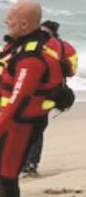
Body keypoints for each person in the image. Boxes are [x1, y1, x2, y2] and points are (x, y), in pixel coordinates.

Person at [0, 1, 66, 197]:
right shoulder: (19, 46)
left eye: (10, 17)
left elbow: (19, 99)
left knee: (6, 170)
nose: (5, 21)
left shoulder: (31, 58)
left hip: (23, 122)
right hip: (15, 119)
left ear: (25, 24)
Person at [20, 20, 78, 176]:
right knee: (36, 128)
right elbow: (72, 71)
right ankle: (30, 164)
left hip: (31, 92)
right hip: (51, 93)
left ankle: (24, 164)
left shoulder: (31, 43)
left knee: (26, 128)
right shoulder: (65, 47)